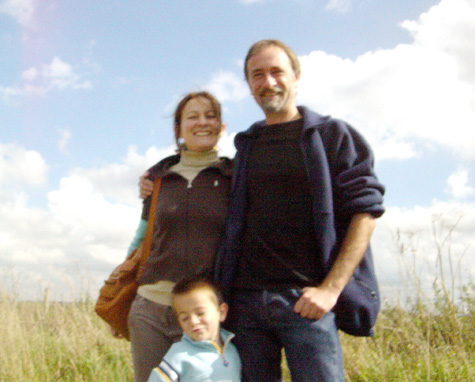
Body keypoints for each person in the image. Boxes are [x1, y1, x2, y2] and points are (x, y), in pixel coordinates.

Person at [140, 40, 385, 382]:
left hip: (306, 302)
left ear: (295, 77)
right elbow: (201, 163)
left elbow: (366, 213)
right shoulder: (247, 145)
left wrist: (330, 289)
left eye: (276, 72)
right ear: (250, 86)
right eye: (257, 75)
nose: (268, 82)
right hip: (245, 304)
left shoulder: (332, 136)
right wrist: (156, 176)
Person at [128, 91, 232, 382]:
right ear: (179, 129)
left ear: (221, 127)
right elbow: (141, 237)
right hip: (151, 311)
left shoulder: (234, 177)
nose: (202, 122)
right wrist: (124, 291)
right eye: (193, 116)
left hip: (205, 315)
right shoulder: (159, 178)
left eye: (210, 116)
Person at [147, 277, 241, 382]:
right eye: (184, 318)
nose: (193, 321)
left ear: (222, 312)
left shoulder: (232, 350)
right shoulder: (179, 355)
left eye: (200, 313)